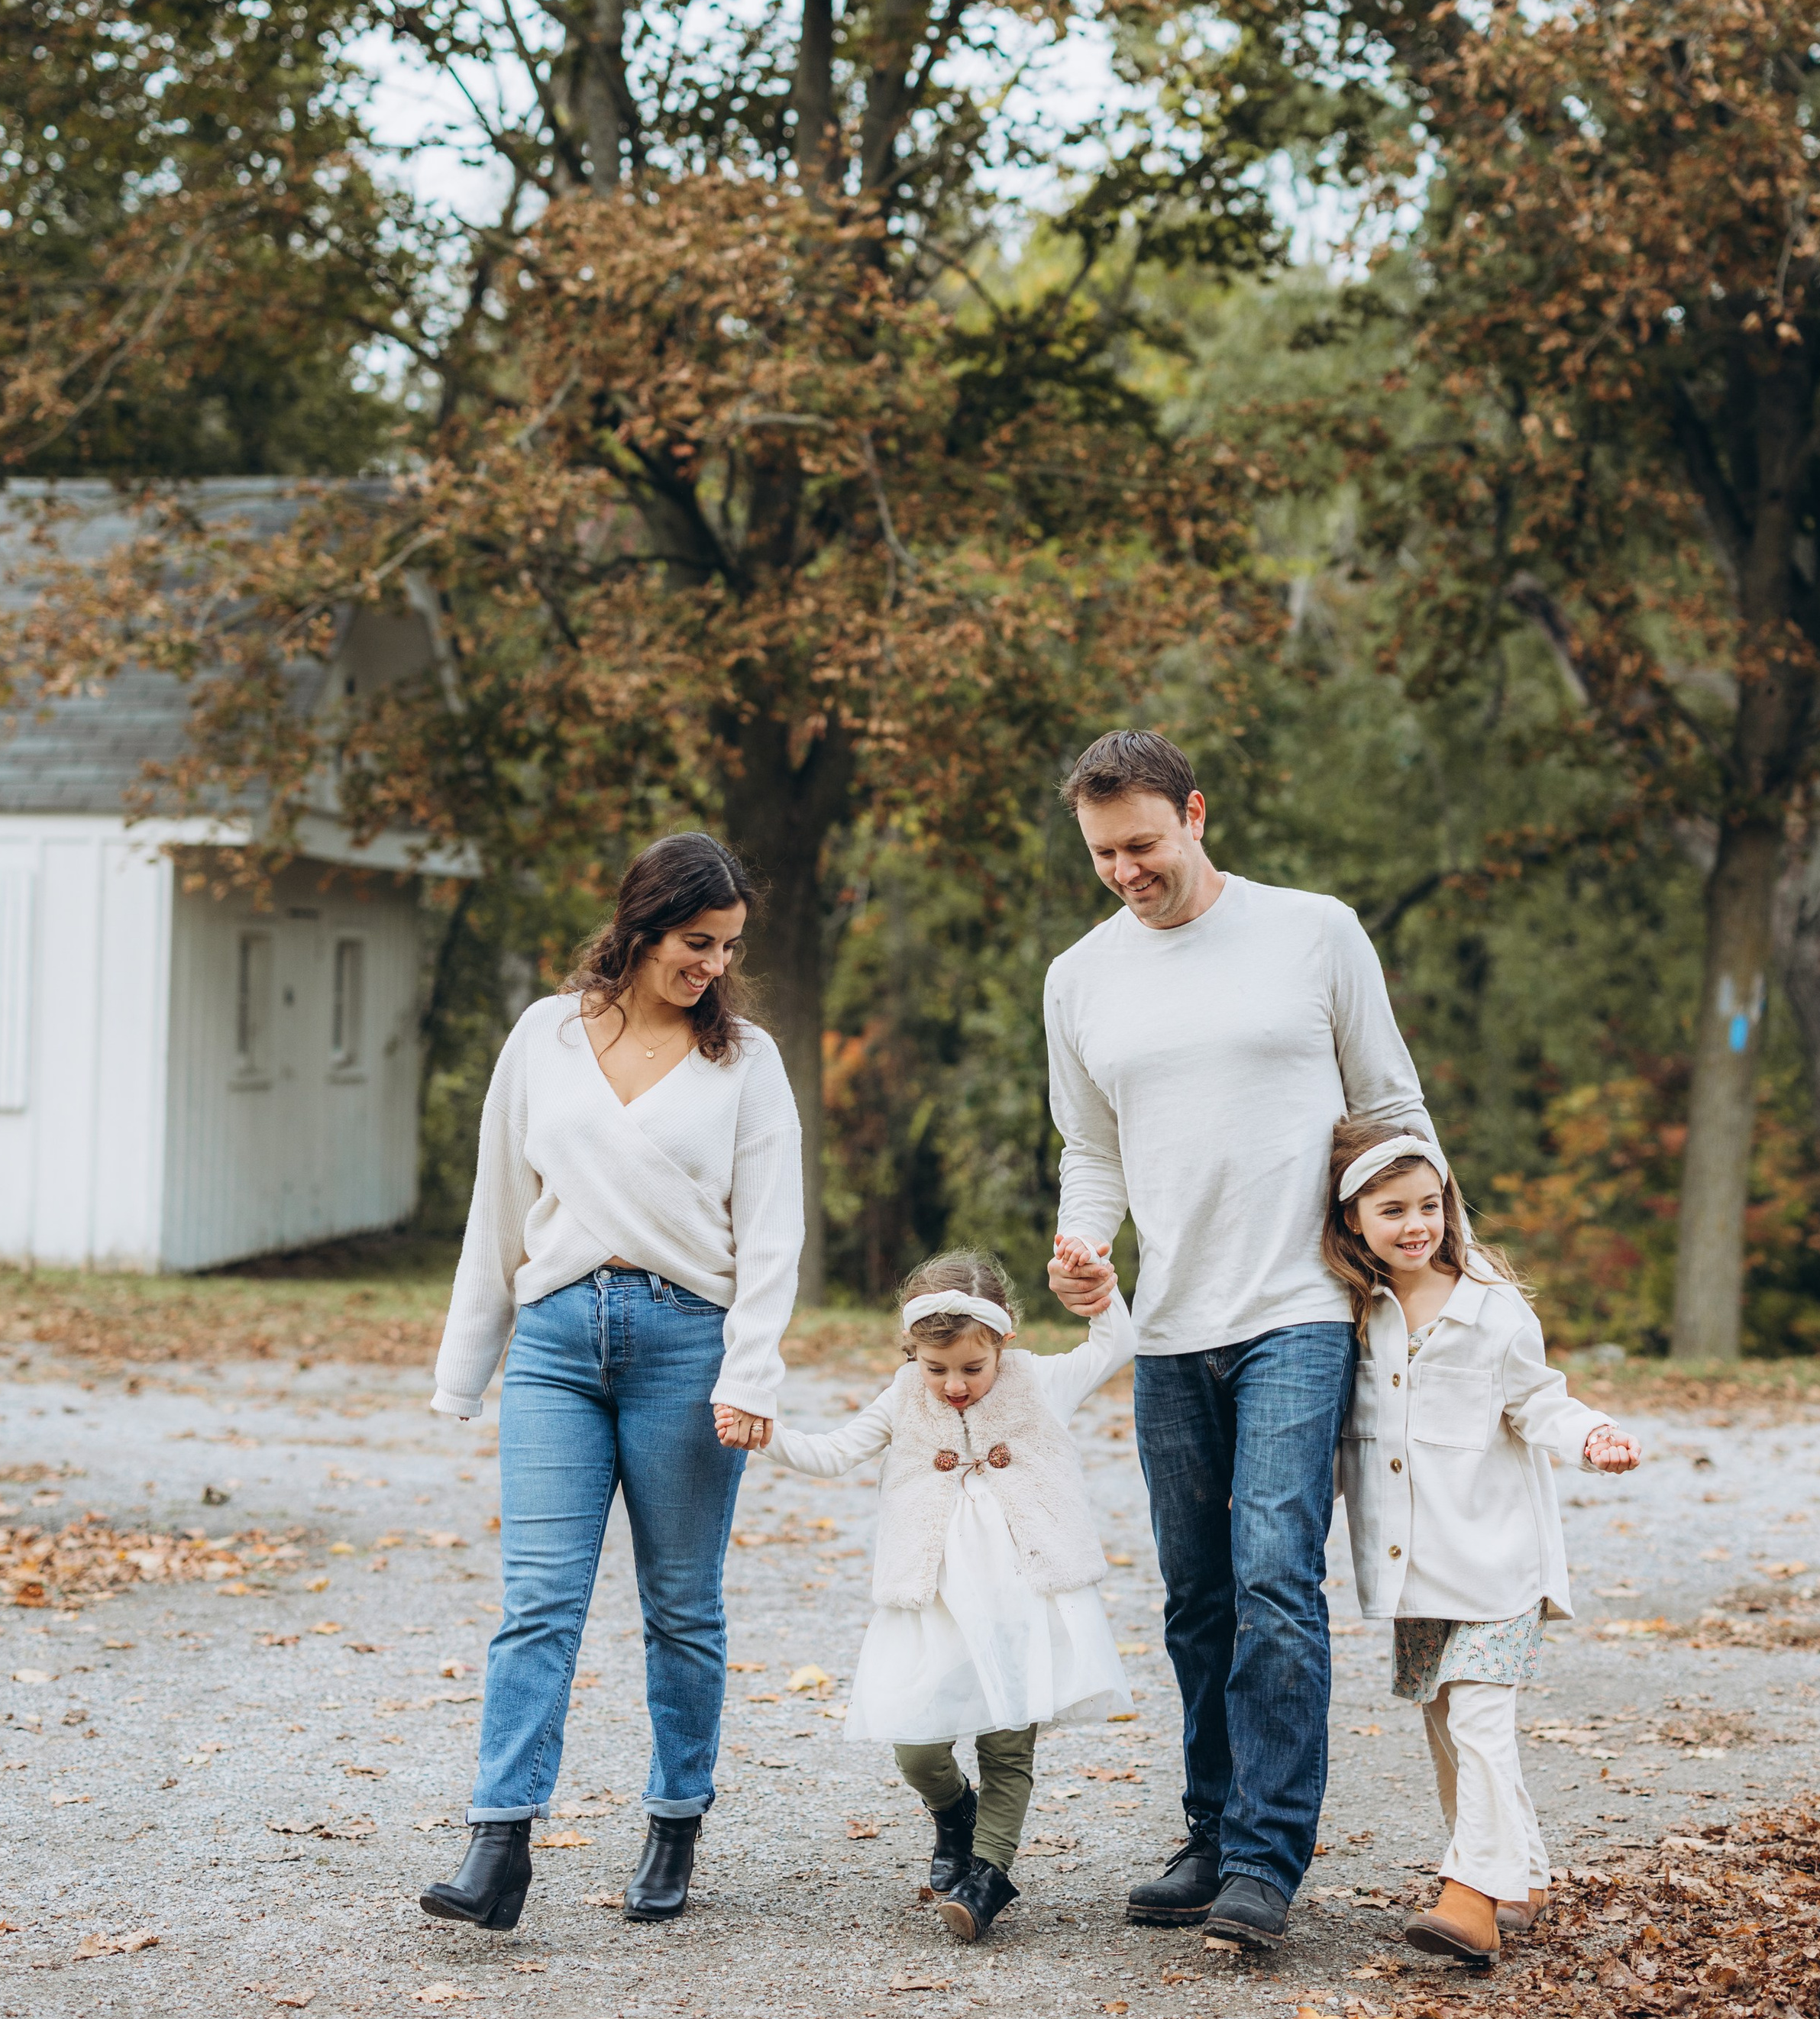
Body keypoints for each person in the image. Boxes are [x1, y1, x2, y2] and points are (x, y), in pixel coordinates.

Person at [1045, 727, 1434, 1953]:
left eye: (1144, 844)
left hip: (1300, 1307)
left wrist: (1435, 1272)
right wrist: (1082, 1246)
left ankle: (1268, 1857)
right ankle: (1209, 1831)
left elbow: (1392, 1106)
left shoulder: (1314, 930)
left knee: (1275, 1574)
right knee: (1198, 1596)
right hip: (1172, 1328)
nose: (1126, 871)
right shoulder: (1080, 977)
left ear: (1197, 812)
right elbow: (1091, 1146)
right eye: (1105, 853)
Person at [419, 832, 803, 1934]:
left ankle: (676, 1816)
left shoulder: (746, 1062)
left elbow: (774, 1239)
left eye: (728, 947)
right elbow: (499, 1201)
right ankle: (500, 1846)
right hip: (553, 1343)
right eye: (696, 942)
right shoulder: (544, 1035)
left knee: (682, 1606)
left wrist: (753, 1373)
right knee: (538, 1601)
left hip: (687, 1345)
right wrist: (468, 1365)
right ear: (640, 927)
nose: (713, 966)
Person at [1325, 1115, 1640, 1967]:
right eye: (1392, 1210)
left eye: (1429, 1204)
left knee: (1479, 1721)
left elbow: (1541, 1400)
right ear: (1354, 1219)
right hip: (1416, 1575)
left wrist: (1592, 1434)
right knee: (1445, 1725)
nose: (1416, 1223)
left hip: (1499, 1563)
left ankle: (1471, 1895)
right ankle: (1525, 1873)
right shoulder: (1355, 1317)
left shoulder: (1491, 1310)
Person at [759, 1247, 1133, 1943]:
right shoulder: (903, 1396)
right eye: (936, 1369)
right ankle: (954, 1809)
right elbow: (835, 1451)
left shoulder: (1040, 1382)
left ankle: (988, 1875)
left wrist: (1098, 1286)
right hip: (934, 1598)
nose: (955, 1385)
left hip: (1023, 1598)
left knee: (1008, 1744)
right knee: (917, 1748)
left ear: (1005, 1339)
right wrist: (768, 1435)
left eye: (972, 1367)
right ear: (911, 1353)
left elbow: (1117, 1344)